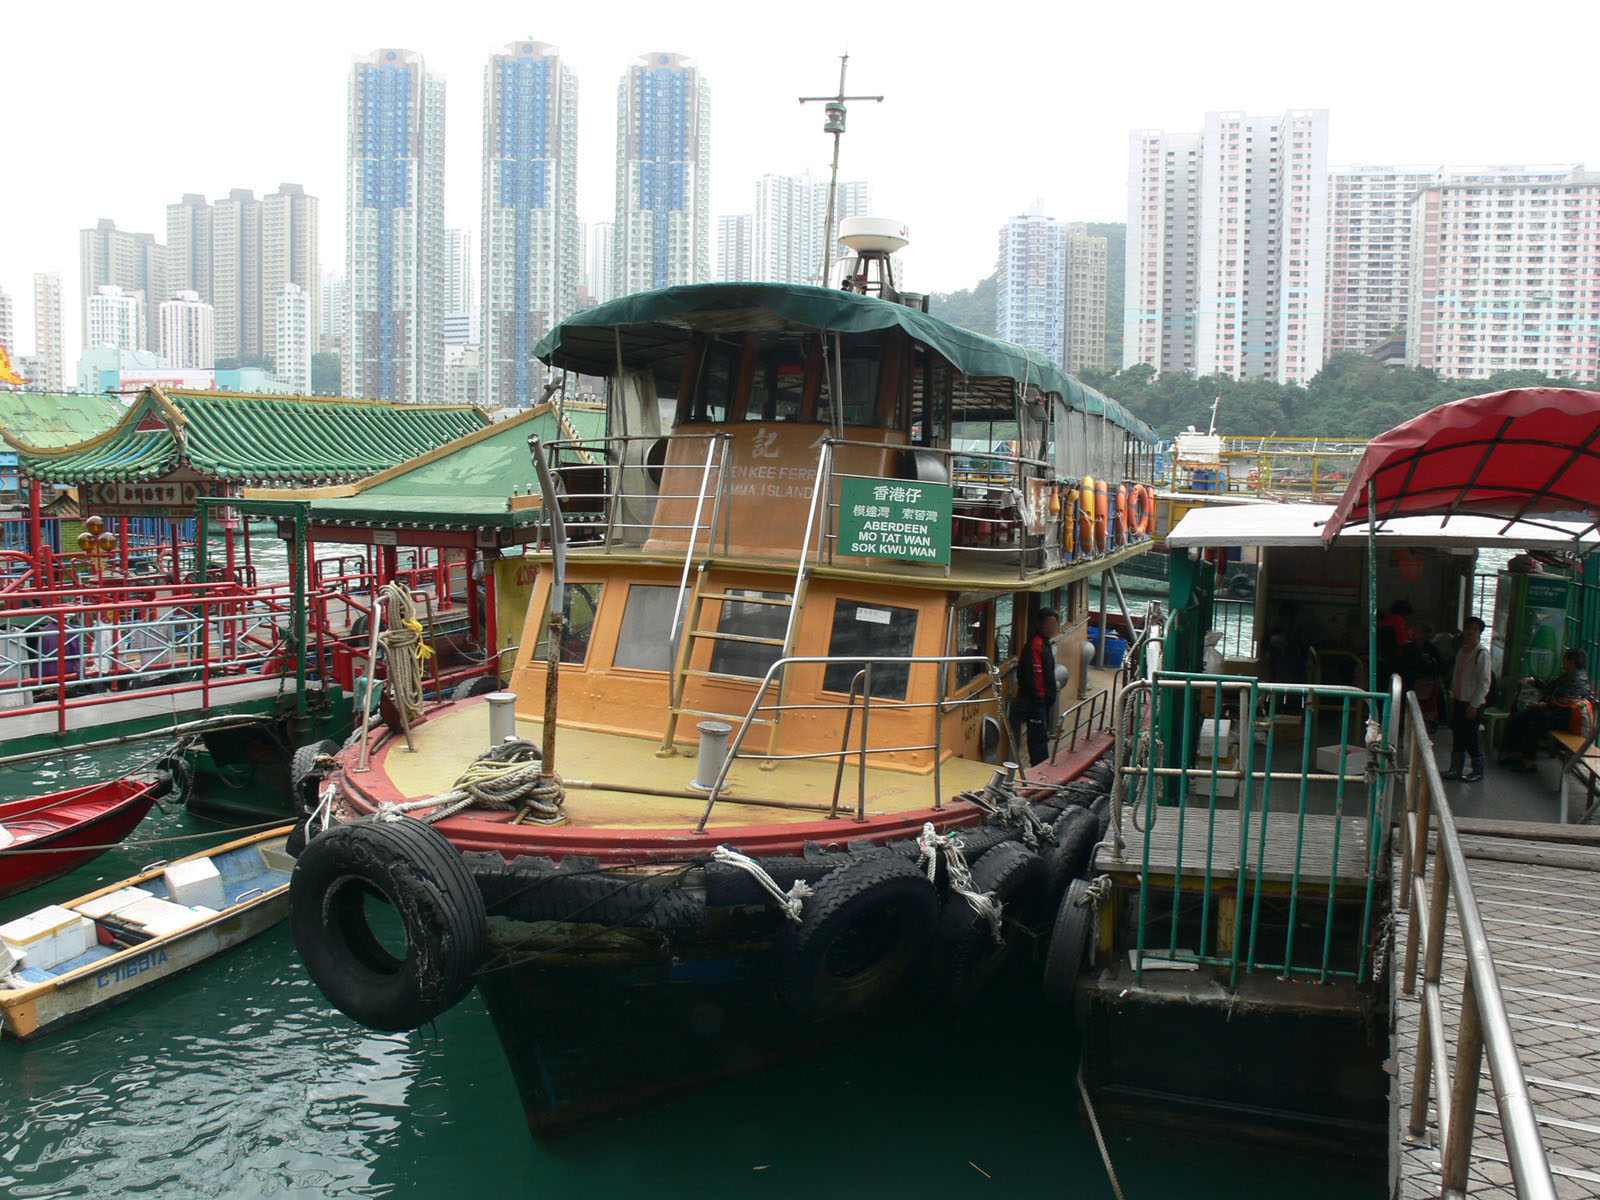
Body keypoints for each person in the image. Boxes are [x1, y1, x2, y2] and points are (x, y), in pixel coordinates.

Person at [1500, 648, 1592, 772]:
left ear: (1572, 662)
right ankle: (1516, 754)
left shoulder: (1578, 681)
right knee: (1521, 717)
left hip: (1565, 719)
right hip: (1555, 713)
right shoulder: (1570, 675)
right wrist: (1534, 681)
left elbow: (1567, 704)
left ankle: (1529, 763)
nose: (1563, 663)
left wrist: (1543, 706)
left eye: (1565, 660)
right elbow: (1552, 684)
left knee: (1534, 726)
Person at [1445, 616, 1491, 782]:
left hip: (1473, 703)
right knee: (1457, 735)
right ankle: (1455, 769)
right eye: (1468, 628)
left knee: (1471, 738)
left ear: (1479, 633)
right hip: (1459, 700)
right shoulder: (1462, 651)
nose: (1470, 632)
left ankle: (1478, 771)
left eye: (1474, 629)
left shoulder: (1481, 654)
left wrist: (1474, 705)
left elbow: (1484, 683)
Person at [1014, 607, 1061, 767]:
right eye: (1049, 624)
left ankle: (1041, 767)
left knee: (1041, 738)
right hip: (1036, 702)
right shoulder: (1036, 645)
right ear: (1040, 625)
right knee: (1038, 741)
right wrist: (1040, 700)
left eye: (1054, 624)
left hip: (1042, 701)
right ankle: (1039, 772)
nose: (1052, 628)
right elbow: (1034, 676)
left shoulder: (1044, 644)